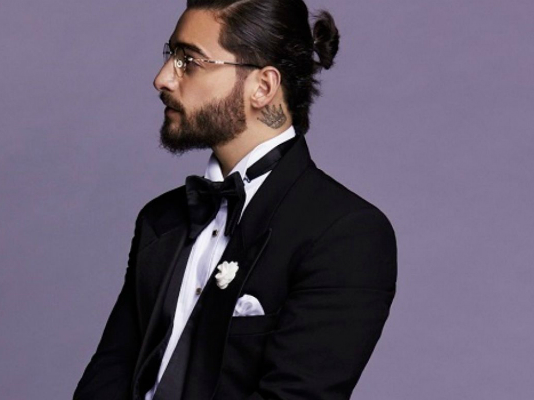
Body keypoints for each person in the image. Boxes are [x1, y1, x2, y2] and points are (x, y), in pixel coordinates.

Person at [74, 0, 397, 399]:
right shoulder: (160, 218)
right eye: (171, 55)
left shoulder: (345, 234)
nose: (162, 79)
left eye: (189, 61)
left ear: (263, 87)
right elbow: (110, 371)